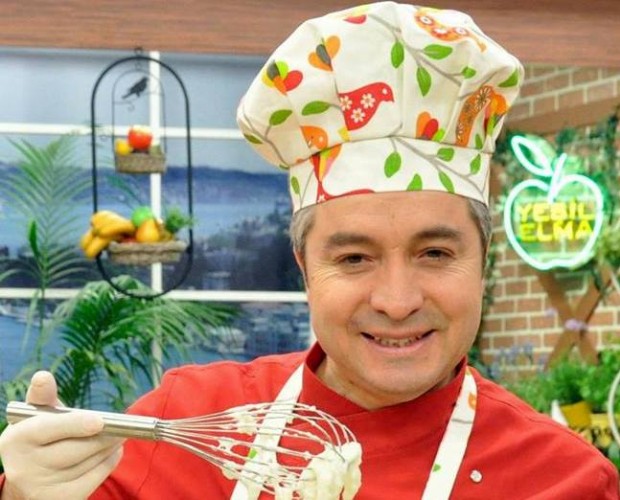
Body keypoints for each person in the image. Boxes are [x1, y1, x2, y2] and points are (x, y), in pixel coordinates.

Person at [1, 2, 618, 499]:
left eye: (434, 253)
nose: (397, 300)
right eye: (354, 259)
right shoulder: (183, 418)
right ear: (304, 268)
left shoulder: (567, 480)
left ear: (483, 260)